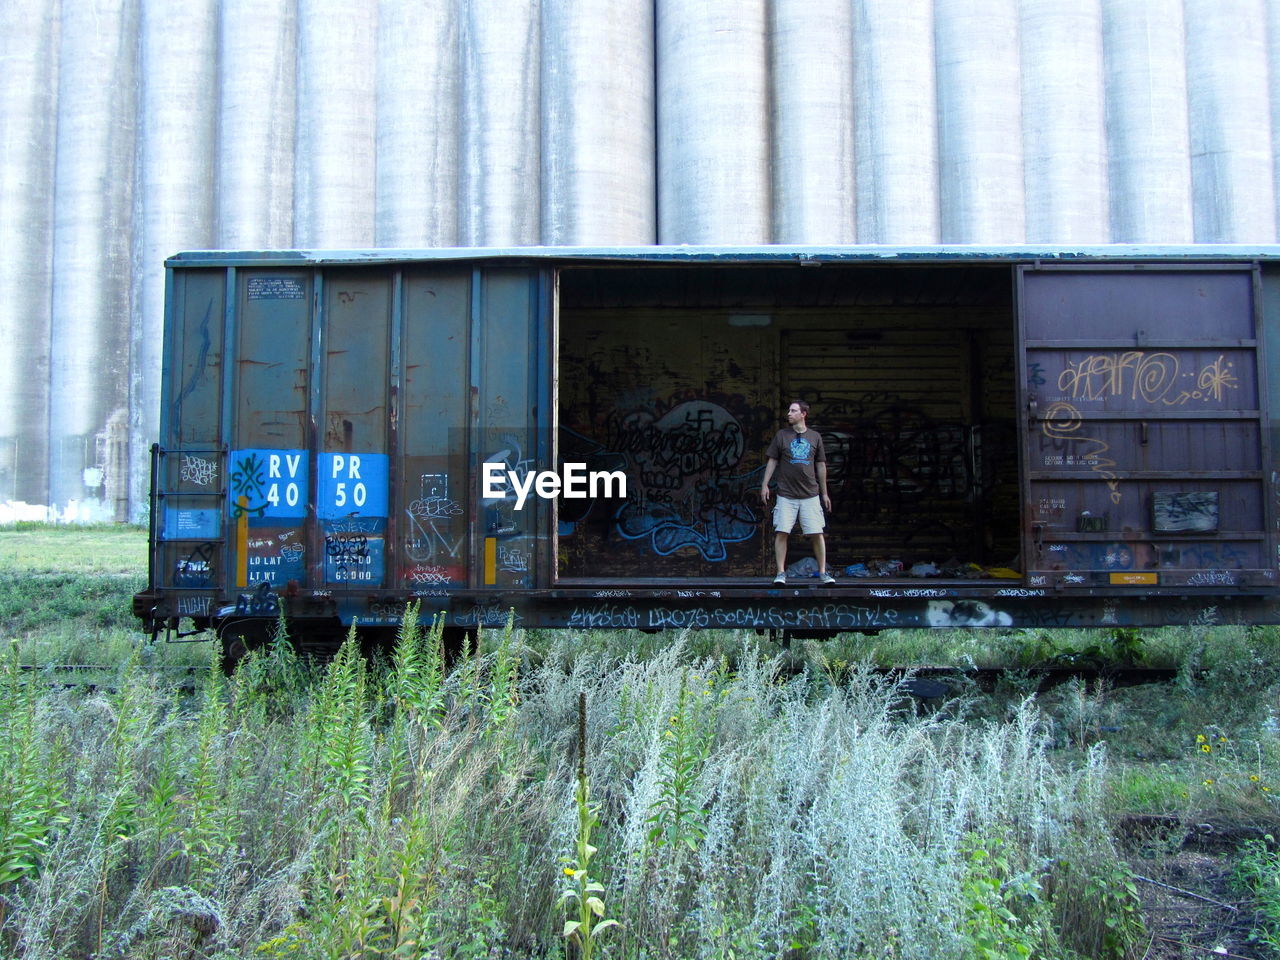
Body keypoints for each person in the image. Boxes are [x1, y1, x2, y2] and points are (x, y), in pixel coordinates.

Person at [760, 400, 835, 585]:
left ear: (803, 414)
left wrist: (824, 493)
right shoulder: (782, 435)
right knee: (782, 532)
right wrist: (765, 484)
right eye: (789, 411)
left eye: (793, 411)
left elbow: (821, 465)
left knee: (817, 533)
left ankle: (823, 573)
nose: (789, 414)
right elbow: (772, 461)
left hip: (810, 494)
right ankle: (780, 573)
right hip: (786, 494)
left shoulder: (815, 437)